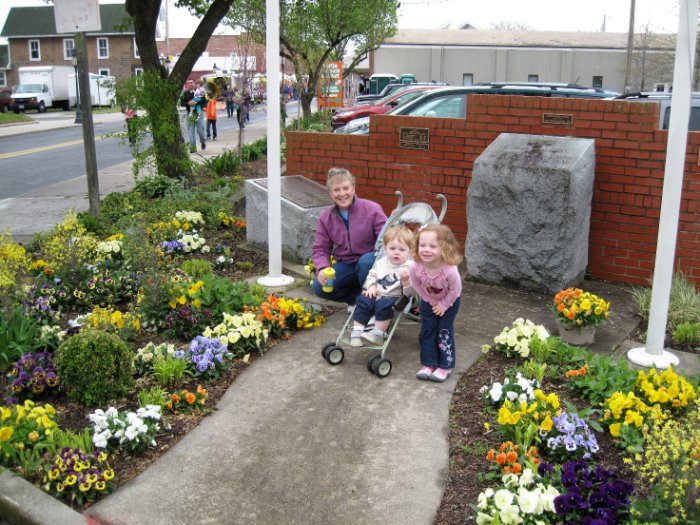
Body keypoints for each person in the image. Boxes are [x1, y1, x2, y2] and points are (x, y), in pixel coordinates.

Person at [312, 167, 387, 307]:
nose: (342, 194)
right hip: (347, 265)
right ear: (330, 193)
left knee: (365, 262)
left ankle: (374, 309)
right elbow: (320, 248)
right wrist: (322, 268)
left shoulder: (372, 209)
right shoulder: (325, 217)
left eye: (346, 188)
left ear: (353, 188)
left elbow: (387, 241)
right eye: (336, 190)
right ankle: (359, 301)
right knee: (318, 286)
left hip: (371, 263)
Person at [406, 223, 463, 383]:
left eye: (432, 246)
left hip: (450, 302)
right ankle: (428, 364)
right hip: (428, 301)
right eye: (422, 245)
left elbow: (455, 291)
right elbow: (416, 284)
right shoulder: (415, 266)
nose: (426, 249)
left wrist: (444, 305)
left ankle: (445, 365)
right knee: (428, 330)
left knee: (443, 331)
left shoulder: (450, 270)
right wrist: (430, 300)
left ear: (444, 248)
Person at [350, 225, 414, 347]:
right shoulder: (381, 262)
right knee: (363, 299)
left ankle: (378, 334)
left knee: (384, 304)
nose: (396, 252)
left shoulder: (410, 267)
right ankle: (356, 333)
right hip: (377, 293)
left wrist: (406, 280)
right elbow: (372, 275)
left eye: (402, 250)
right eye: (392, 248)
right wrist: (372, 286)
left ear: (409, 251)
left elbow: (411, 291)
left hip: (397, 298)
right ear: (385, 249)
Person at [180, 79, 206, 153]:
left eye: (191, 83)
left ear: (194, 84)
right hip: (189, 113)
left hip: (198, 113)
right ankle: (193, 148)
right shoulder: (185, 93)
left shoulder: (199, 91)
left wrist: (197, 103)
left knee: (200, 130)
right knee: (191, 131)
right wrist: (188, 103)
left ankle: (203, 141)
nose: (189, 84)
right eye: (188, 83)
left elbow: (204, 102)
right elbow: (182, 103)